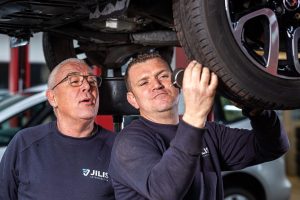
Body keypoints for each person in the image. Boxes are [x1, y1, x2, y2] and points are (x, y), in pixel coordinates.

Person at [109, 52, 290, 200]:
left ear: (176, 83)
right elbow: (165, 192)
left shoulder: (208, 132)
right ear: (133, 100)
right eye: (144, 82)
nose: (156, 85)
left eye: (163, 76)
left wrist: (257, 111)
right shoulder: (129, 142)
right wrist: (195, 116)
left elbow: (274, 146)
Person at [0, 58, 116, 200]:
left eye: (92, 81)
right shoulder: (24, 143)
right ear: (52, 97)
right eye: (74, 81)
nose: (87, 86)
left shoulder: (118, 148)